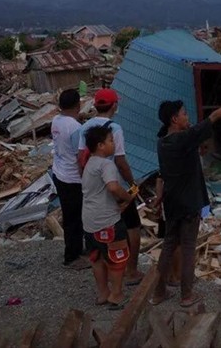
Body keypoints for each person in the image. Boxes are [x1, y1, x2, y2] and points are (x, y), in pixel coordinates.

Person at [150, 89, 221, 307]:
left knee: (169, 245)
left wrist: (158, 198)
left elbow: (164, 173)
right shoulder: (185, 138)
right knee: (189, 247)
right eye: (184, 114)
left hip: (171, 204)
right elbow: (216, 116)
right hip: (190, 203)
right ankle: (186, 295)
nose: (187, 118)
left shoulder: (163, 142)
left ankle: (158, 292)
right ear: (174, 119)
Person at [75, 88, 144, 285]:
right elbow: (120, 161)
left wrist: (86, 183)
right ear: (114, 105)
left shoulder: (86, 126)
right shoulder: (115, 128)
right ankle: (130, 271)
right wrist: (132, 185)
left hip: (95, 187)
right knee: (132, 225)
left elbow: (81, 158)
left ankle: (108, 275)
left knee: (103, 231)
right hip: (114, 184)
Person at [81, 124, 137, 308]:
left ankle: (103, 293)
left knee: (97, 258)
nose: (114, 144)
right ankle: (117, 294)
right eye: (111, 141)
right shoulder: (106, 164)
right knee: (117, 257)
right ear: (100, 145)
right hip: (107, 220)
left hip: (89, 220)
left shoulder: (89, 163)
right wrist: (127, 197)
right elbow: (112, 186)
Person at [51, 89, 89, 269]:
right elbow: (80, 157)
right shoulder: (75, 128)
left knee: (71, 216)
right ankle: (72, 257)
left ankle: (76, 248)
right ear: (77, 105)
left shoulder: (56, 121)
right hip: (72, 178)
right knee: (75, 217)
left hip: (59, 174)